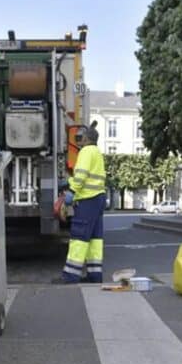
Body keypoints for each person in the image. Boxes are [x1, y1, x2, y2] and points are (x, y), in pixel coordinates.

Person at [54, 121, 106, 284]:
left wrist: (71, 191)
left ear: (87, 139)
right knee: (94, 239)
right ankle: (94, 275)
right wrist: (71, 183)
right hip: (98, 198)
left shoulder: (85, 152)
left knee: (79, 237)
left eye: (81, 137)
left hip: (87, 199)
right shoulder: (96, 152)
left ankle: (70, 276)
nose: (79, 140)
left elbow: (82, 175)